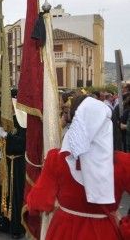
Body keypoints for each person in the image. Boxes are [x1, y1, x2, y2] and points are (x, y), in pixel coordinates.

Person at [27, 96, 130, 239]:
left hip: (63, 230)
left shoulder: (56, 158)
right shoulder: (124, 162)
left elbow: (38, 201)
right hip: (105, 231)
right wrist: (125, 227)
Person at [0, 91, 27, 239]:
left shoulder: (22, 121)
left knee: (15, 193)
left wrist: (7, 135)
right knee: (1, 191)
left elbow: (23, 143)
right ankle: (2, 222)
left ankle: (16, 227)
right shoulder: (4, 119)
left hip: (16, 163)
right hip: (4, 160)